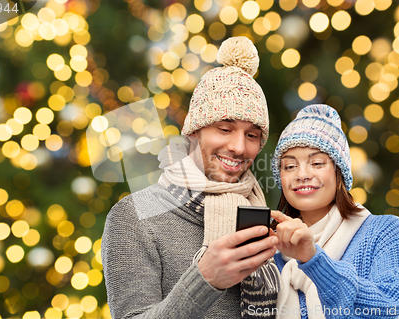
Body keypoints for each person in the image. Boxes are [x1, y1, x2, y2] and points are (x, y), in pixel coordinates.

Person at [101, 36, 280, 319]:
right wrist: (206, 279)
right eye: (224, 128)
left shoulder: (261, 214)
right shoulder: (134, 216)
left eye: (252, 135)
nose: (239, 147)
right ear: (194, 131)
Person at [266, 104, 399, 318]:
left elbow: (390, 309)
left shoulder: (384, 231)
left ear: (339, 173)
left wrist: (314, 260)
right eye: (289, 166)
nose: (302, 174)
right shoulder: (273, 245)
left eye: (316, 163)